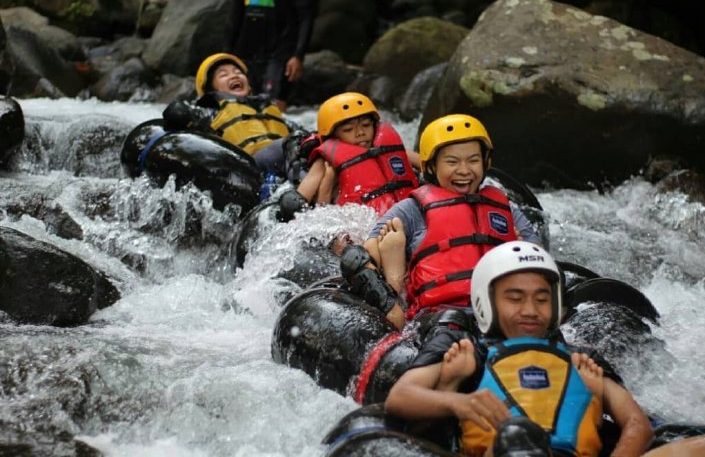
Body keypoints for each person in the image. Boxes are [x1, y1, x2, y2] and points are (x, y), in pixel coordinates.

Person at [385, 241, 705, 457]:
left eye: (542, 299)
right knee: (517, 437)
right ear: (486, 302)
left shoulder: (580, 360)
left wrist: (594, 394)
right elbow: (400, 398)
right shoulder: (467, 352)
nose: (530, 310)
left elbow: (637, 425)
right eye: (515, 298)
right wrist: (455, 396)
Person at [339, 114, 542, 330]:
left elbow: (540, 262)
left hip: (502, 309)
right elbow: (363, 254)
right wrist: (388, 304)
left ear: (485, 163)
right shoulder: (413, 209)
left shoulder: (505, 208)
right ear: (433, 167)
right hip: (441, 314)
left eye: (473, 160)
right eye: (452, 162)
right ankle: (395, 278)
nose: (464, 170)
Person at [162, 53, 307, 181]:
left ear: (249, 85)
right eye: (223, 74)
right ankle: (303, 191)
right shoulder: (212, 112)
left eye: (238, 72)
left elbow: (303, 136)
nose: (234, 75)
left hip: (283, 160)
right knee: (292, 144)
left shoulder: (268, 108)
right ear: (211, 89)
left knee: (305, 142)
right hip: (250, 167)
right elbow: (176, 113)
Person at [277, 92, 420, 221]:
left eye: (365, 125)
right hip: (355, 222)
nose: (360, 133)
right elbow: (306, 205)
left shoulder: (388, 149)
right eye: (348, 129)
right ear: (332, 136)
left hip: (402, 216)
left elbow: (427, 164)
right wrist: (328, 179)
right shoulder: (326, 160)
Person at [225, 0, 314, 112]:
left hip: (281, 53)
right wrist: (227, 53)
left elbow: (306, 17)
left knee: (273, 109)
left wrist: (298, 55)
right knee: (243, 108)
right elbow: (235, 15)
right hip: (247, 51)